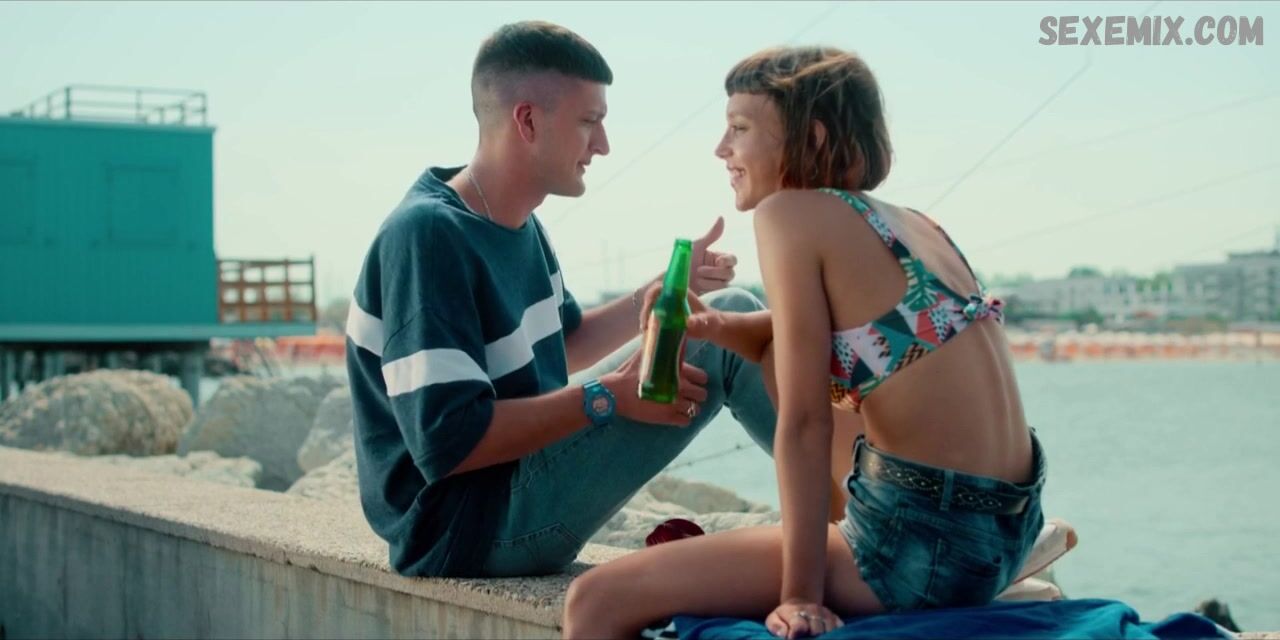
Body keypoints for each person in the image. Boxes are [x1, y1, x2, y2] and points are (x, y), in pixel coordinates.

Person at [563, 46, 1047, 639]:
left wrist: (799, 596)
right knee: (775, 355)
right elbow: (836, 339)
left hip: (921, 550)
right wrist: (717, 327)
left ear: (811, 137)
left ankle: (843, 557)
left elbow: (805, 423)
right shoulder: (910, 223)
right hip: (1010, 527)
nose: (720, 149)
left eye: (739, 128)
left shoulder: (788, 213)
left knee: (594, 600)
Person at [344, 21, 782, 579]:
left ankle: (856, 504)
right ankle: (868, 517)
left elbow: (565, 343)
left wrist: (664, 290)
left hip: (508, 486)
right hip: (468, 525)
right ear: (527, 120)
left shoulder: (517, 223)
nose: (603, 144)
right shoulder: (428, 236)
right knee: (730, 328)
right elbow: (449, 443)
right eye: (589, 122)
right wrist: (607, 398)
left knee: (722, 314)